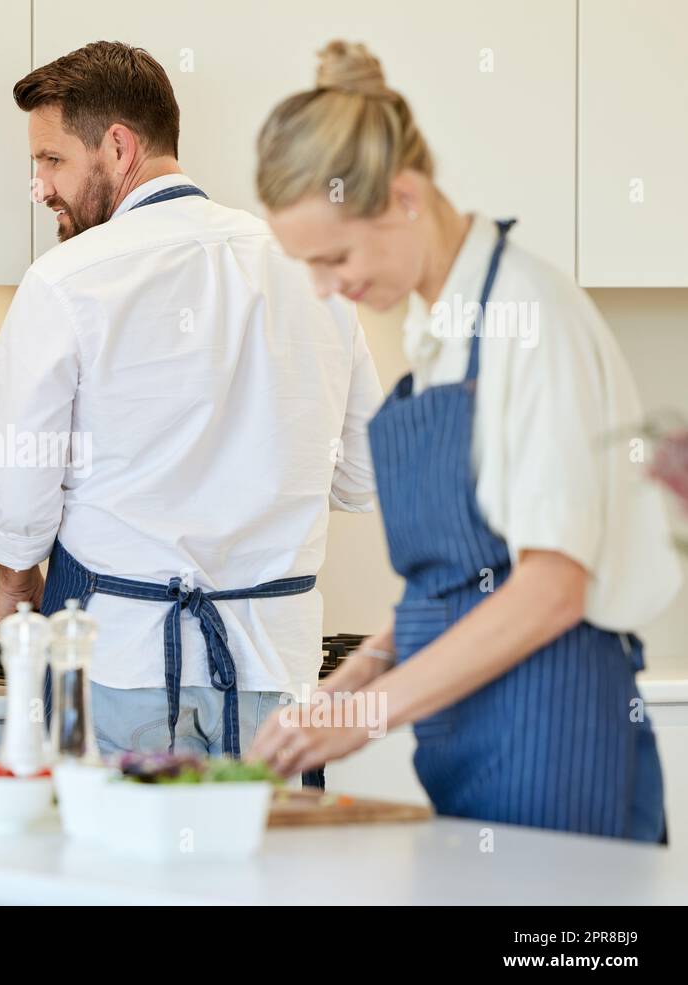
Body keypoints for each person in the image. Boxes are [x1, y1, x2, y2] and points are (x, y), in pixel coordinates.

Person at [249, 41, 680, 841]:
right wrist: (354, 677)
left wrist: (370, 713)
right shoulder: (443, 325)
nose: (325, 285)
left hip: (557, 733)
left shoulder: (529, 315)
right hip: (471, 737)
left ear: (405, 195)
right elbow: (464, 576)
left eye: (333, 256)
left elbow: (552, 585)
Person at [0, 42, 382, 759]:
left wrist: (15, 583)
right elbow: (362, 475)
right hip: (275, 679)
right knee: (259, 867)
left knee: (115, 866)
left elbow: (20, 487)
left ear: (119, 146)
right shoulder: (307, 270)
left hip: (116, 667)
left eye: (51, 160)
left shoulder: (66, 279)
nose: (39, 187)